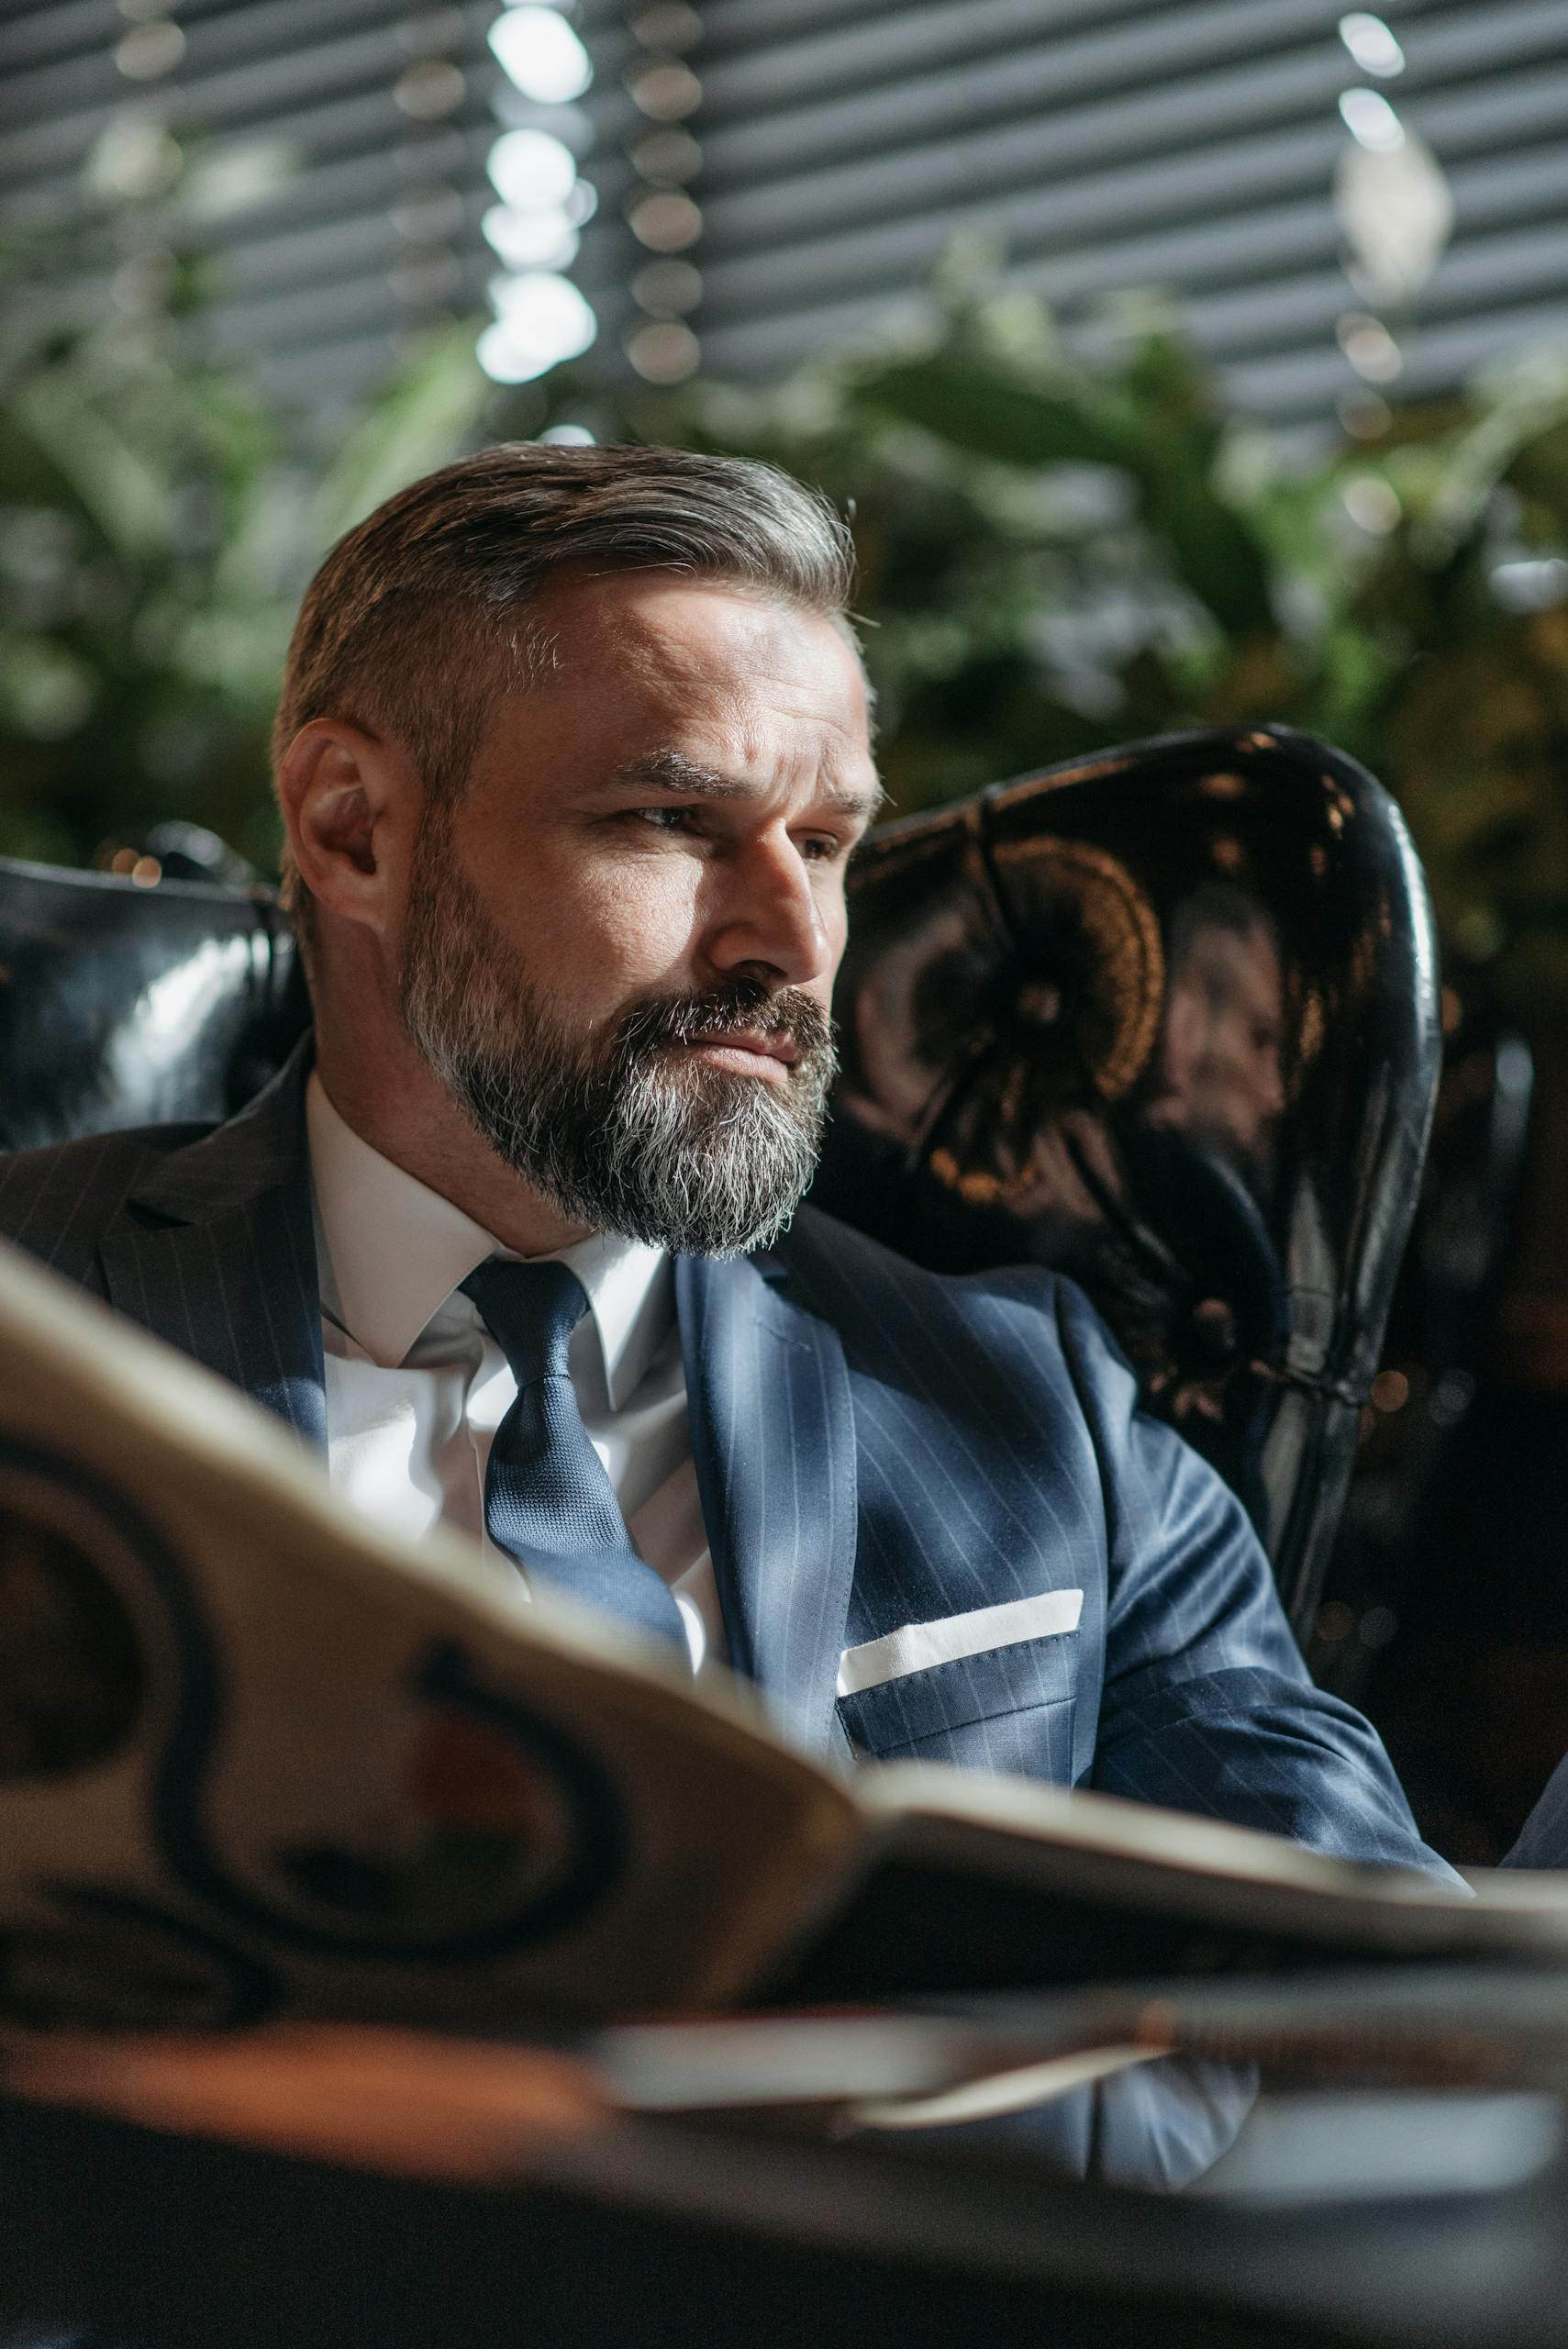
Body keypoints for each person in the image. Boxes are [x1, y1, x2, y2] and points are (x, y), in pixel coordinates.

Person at [0, 442, 1460, 2184]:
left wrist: (856, 2183)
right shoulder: (37, 1316)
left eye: (828, 840)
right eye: (670, 821)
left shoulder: (1032, 1411)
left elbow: (1370, 2020)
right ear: (354, 829)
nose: (789, 935)